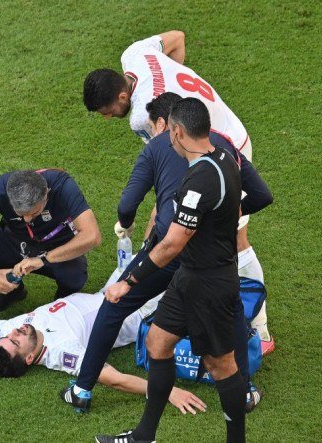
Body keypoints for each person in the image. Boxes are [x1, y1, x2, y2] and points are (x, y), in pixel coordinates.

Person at [62, 92, 271, 413]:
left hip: (168, 251)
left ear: (171, 127)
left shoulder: (155, 149)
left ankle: (83, 388)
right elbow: (262, 195)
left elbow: (128, 205)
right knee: (229, 315)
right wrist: (226, 219)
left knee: (115, 304)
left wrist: (126, 227)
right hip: (213, 260)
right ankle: (243, 393)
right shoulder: (224, 148)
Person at [82, 31, 274, 352]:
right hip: (221, 132)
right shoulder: (135, 54)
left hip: (224, 152)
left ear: (120, 98)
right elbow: (177, 38)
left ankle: (261, 331)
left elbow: (169, 163)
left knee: (234, 240)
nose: (105, 118)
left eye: (104, 111)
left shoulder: (144, 116)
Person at [95, 98, 247, 443]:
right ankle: (143, 437)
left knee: (221, 365)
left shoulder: (201, 180)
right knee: (157, 342)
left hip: (209, 285)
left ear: (177, 132)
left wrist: (127, 282)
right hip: (191, 277)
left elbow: (171, 244)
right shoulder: (224, 156)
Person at [0, 279, 209, 415]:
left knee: (157, 234)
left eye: (10, 335)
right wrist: (168, 391)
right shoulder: (63, 353)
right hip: (135, 310)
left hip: (109, 290)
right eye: (17, 340)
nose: (16, 329)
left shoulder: (4, 333)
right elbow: (112, 377)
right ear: (31, 357)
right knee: (185, 264)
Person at [0, 169, 102, 313]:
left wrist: (44, 259)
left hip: (56, 246)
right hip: (16, 241)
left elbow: (92, 236)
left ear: (46, 194)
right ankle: (11, 291)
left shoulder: (62, 184)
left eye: (33, 213)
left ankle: (61, 306)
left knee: (74, 276)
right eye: (20, 214)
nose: (27, 219)